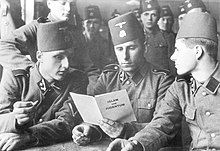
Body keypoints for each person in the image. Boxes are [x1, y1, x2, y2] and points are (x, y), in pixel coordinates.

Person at [106, 11, 219, 151]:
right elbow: (162, 124)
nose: (172, 57)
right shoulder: (180, 88)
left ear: (197, 52)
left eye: (178, 50)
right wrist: (135, 143)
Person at [72, 12, 174, 146]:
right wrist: (86, 128)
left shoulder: (162, 81)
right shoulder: (108, 77)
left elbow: (163, 126)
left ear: (144, 46)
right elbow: (95, 116)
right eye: (119, 49)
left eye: (131, 48)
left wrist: (125, 130)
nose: (124, 56)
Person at [0, 21, 88, 150]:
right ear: (40, 56)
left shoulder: (77, 79)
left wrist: (29, 136)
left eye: (69, 56)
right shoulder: (16, 76)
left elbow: (66, 123)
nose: (66, 65)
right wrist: (15, 119)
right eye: (58, 57)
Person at [0, 0, 100, 94]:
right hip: (44, 92)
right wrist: (31, 69)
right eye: (63, 3)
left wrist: (92, 93)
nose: (69, 9)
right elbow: (3, 46)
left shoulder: (76, 33)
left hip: (72, 90)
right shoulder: (37, 27)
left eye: (72, 4)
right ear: (49, 3)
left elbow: (90, 68)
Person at [140, 0, 176, 76]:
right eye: (146, 14)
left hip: (162, 80)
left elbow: (173, 66)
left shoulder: (168, 37)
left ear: (158, 17)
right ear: (141, 16)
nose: (149, 18)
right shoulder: (136, 37)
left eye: (153, 15)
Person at [82, 5, 112, 71]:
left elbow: (106, 65)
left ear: (100, 24)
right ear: (83, 24)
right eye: (88, 22)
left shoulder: (104, 44)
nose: (92, 26)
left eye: (95, 22)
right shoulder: (77, 42)